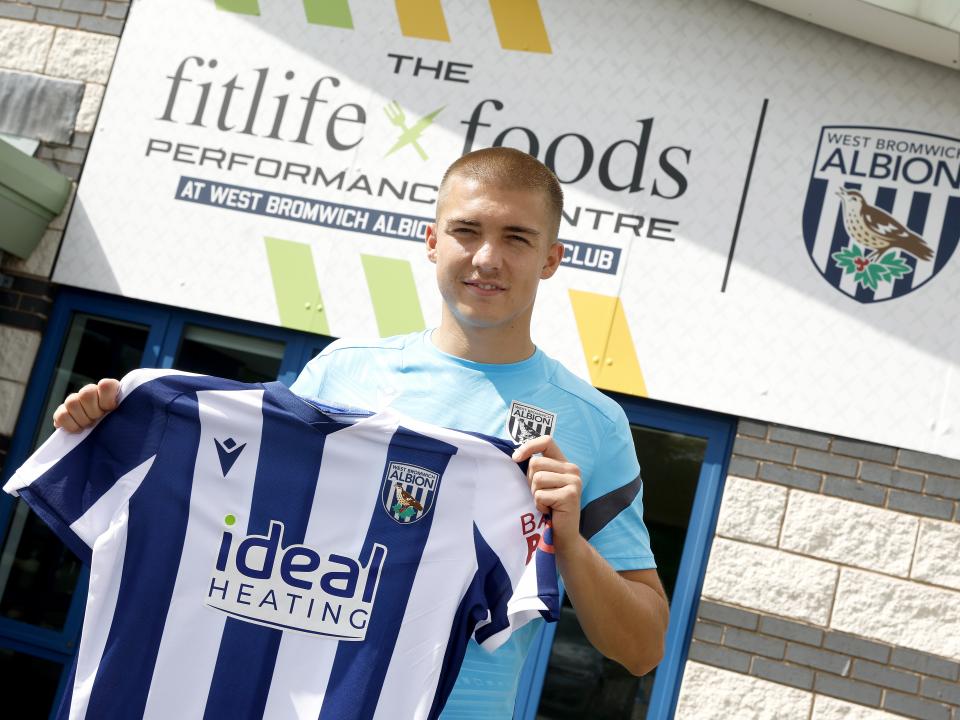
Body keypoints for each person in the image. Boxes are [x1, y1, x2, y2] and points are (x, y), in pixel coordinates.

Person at [54, 147, 669, 718]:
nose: (487, 258)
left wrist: (570, 542)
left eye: (516, 237)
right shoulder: (341, 372)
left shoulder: (592, 425)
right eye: (466, 231)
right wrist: (116, 429)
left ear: (551, 258)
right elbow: (233, 517)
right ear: (432, 242)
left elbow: (642, 650)